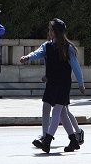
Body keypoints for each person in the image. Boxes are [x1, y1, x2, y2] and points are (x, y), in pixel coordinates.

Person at [19, 18, 85, 153]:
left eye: (50, 29)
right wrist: (28, 57)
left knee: (57, 112)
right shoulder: (47, 46)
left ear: (56, 32)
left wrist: (81, 83)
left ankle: (47, 141)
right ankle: (73, 141)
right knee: (58, 112)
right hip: (51, 83)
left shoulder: (68, 48)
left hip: (63, 84)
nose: (48, 31)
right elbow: (37, 53)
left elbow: (76, 67)